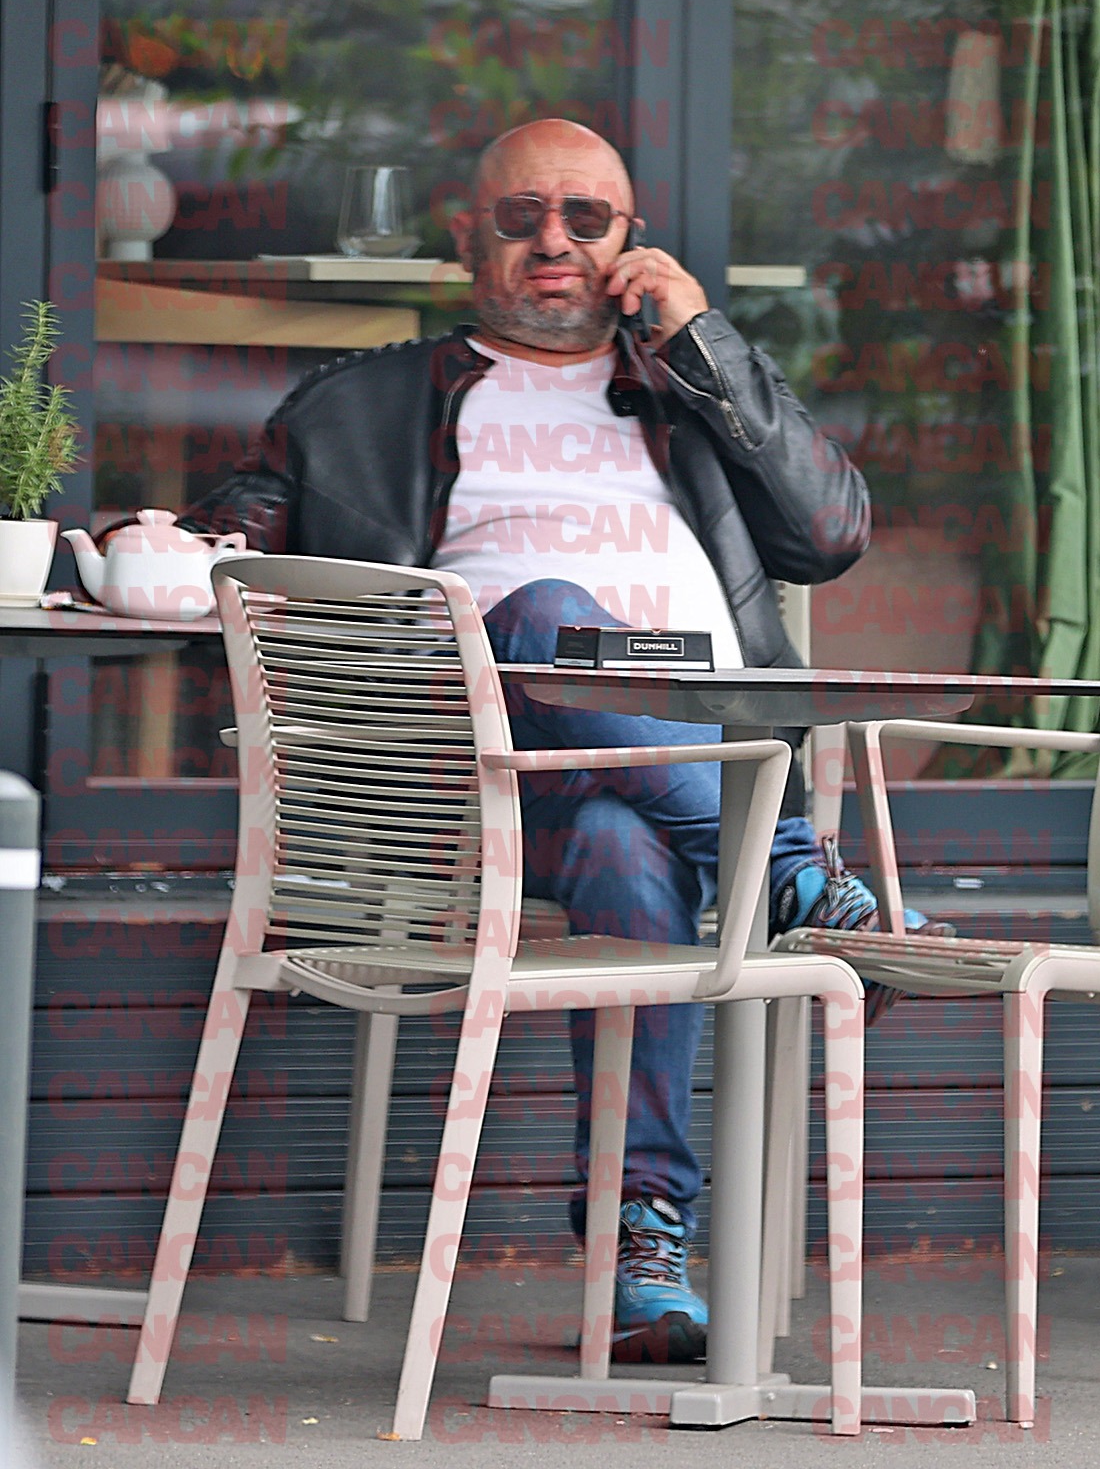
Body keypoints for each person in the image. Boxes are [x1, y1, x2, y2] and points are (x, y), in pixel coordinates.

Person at [174, 118, 948, 1363]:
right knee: (542, 616)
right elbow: (221, 552)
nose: (553, 241)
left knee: (621, 850)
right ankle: (795, 872)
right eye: (520, 215)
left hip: (662, 783)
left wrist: (700, 339)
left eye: (585, 218)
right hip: (467, 790)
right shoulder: (361, 404)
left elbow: (828, 535)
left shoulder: (685, 393)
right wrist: (146, 547)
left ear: (629, 240)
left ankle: (641, 1243)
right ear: (464, 236)